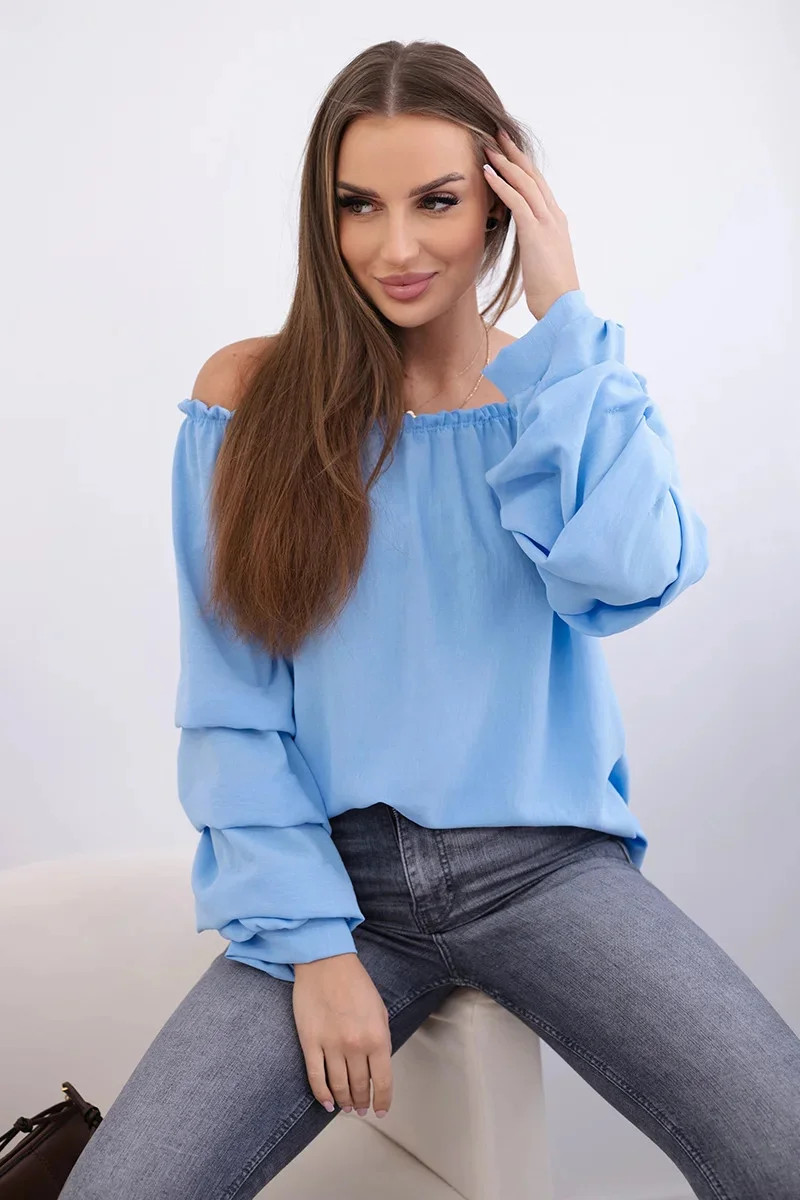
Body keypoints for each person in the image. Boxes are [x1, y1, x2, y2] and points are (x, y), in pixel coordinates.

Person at [60, 38, 800, 1200]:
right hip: (336, 883)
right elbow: (230, 705)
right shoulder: (244, 402)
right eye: (357, 205)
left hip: (541, 868)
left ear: (502, 202)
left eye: (435, 202)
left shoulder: (556, 395)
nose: (394, 247)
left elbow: (628, 573)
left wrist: (563, 317)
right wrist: (314, 949)